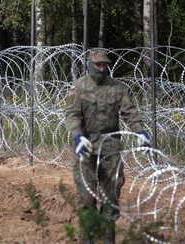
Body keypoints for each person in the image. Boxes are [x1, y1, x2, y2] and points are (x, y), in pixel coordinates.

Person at [65, 50, 151, 244]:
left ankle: (107, 239)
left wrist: (140, 132)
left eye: (104, 65)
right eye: (98, 65)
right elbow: (72, 115)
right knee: (86, 198)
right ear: (90, 65)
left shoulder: (117, 88)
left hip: (110, 148)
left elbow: (130, 113)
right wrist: (78, 136)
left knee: (111, 197)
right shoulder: (78, 88)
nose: (101, 68)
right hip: (86, 148)